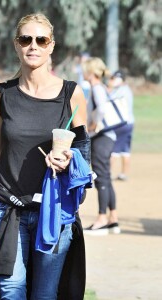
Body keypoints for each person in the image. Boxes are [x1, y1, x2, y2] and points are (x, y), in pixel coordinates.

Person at [0, 13, 88, 299]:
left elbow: (84, 153)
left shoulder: (71, 93)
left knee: (45, 295)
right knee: (10, 291)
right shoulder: (1, 94)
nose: (33, 46)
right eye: (26, 39)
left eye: (40, 40)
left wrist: (69, 160)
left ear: (51, 46)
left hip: (54, 210)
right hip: (7, 209)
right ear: (16, 45)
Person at [82, 57, 121, 235]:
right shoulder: (99, 87)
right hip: (106, 137)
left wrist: (93, 125)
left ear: (90, 71)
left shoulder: (97, 88)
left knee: (101, 178)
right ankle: (113, 218)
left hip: (101, 137)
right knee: (106, 177)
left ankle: (101, 219)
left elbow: (102, 109)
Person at [109, 70, 134, 181]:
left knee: (113, 150)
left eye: (115, 78)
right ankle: (124, 174)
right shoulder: (126, 89)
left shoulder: (121, 90)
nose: (113, 80)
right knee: (125, 150)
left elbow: (108, 101)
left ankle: (106, 173)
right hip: (129, 123)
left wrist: (108, 87)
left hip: (121, 124)